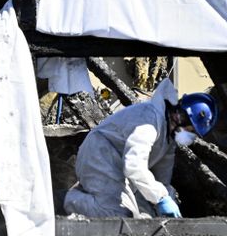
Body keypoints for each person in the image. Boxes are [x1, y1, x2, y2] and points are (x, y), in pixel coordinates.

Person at [63, 79, 217, 218]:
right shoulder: (149, 119)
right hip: (101, 153)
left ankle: (93, 197)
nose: (191, 136)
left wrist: (167, 200)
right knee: (117, 215)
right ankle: (72, 200)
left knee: (144, 217)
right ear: (180, 117)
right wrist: (161, 198)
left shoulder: (168, 138)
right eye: (192, 131)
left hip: (119, 165)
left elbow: (160, 180)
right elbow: (134, 165)